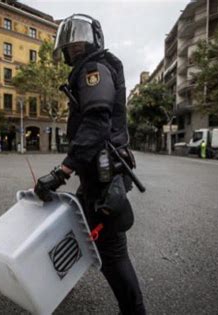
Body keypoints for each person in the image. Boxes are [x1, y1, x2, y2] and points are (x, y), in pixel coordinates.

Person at [34, 14, 146, 314]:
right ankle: (55, 284)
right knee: (75, 227)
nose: (75, 51)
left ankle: (134, 311)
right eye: (70, 48)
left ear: (94, 40)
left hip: (104, 175)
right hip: (98, 174)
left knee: (112, 251)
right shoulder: (92, 68)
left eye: (79, 44)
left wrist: (62, 172)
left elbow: (97, 123)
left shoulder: (93, 70)